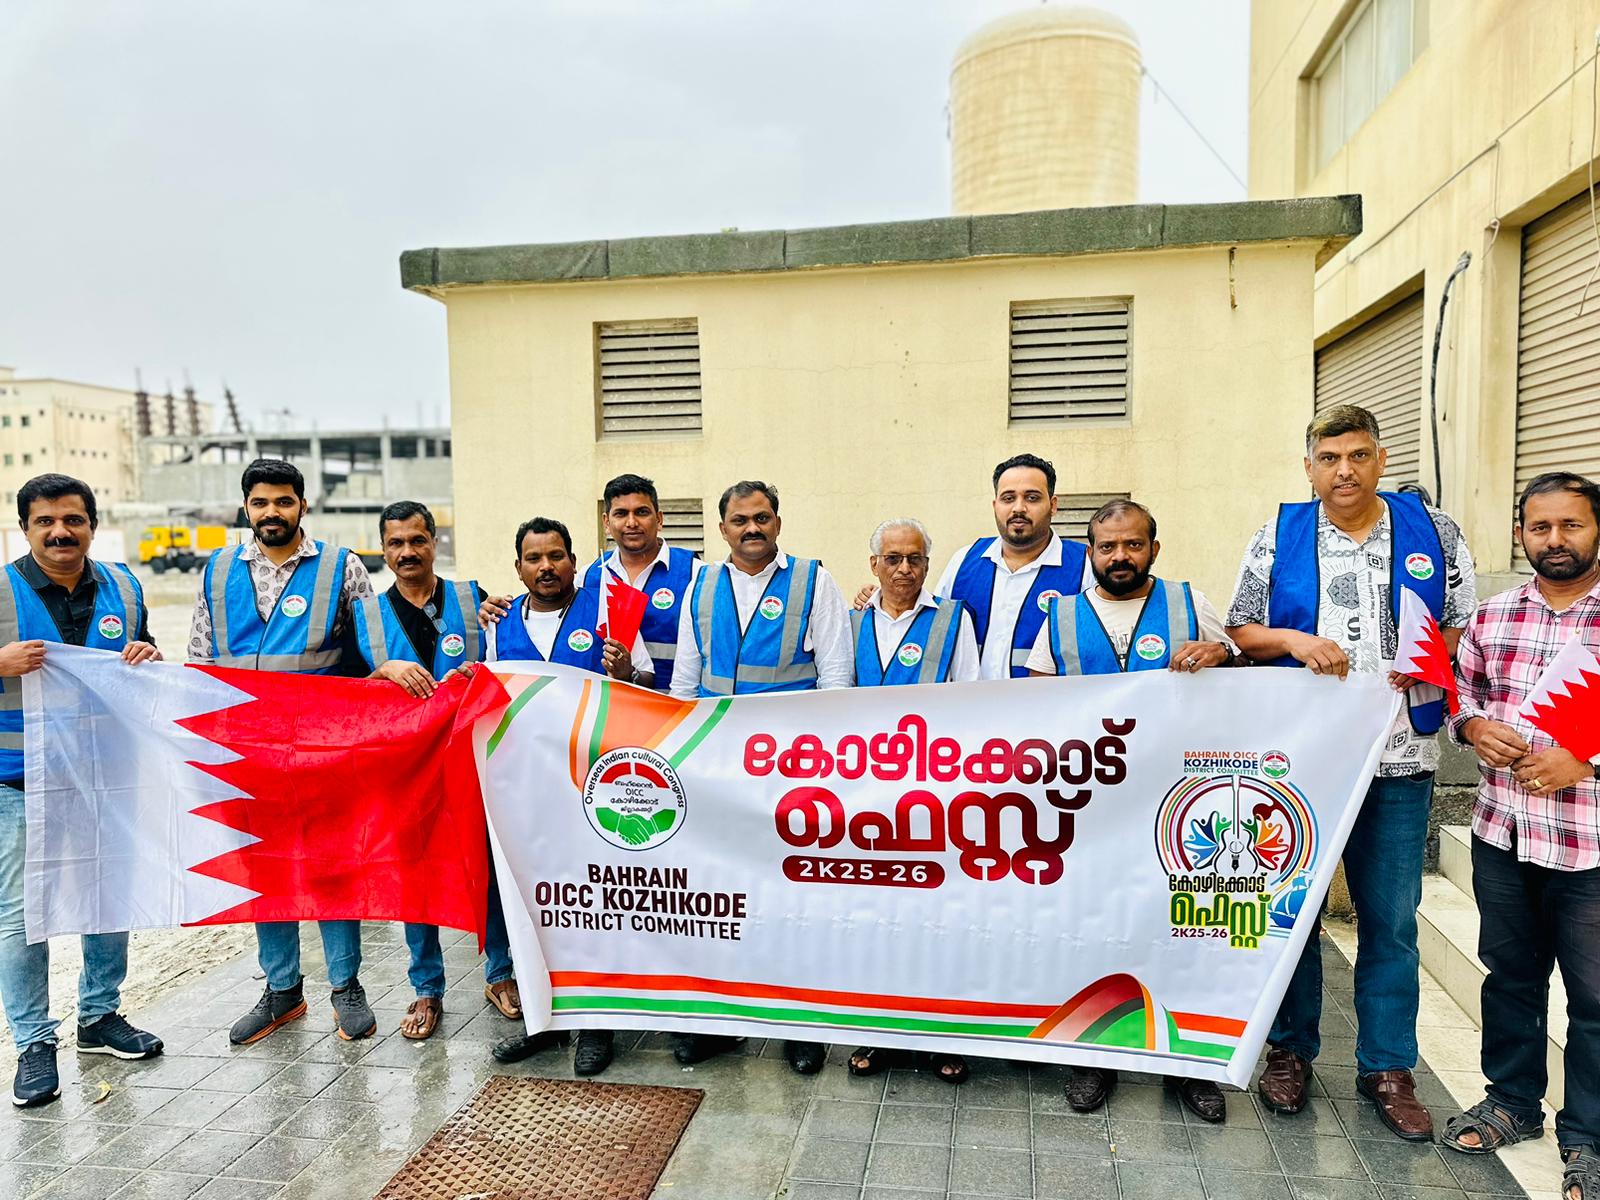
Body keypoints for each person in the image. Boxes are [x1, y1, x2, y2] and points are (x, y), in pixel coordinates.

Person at [1225, 405, 1477, 1141]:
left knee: (1391, 920)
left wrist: (1429, 654)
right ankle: (1289, 1052)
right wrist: (1295, 639)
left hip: (1400, 756)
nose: (1345, 471)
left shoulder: (1434, 530)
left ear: (1380, 458)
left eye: (1358, 455)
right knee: (1293, 913)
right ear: (1309, 467)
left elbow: (1464, 619)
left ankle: (1388, 1068)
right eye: (1329, 458)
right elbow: (1241, 628)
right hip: (1302, 762)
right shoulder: (1279, 534)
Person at [1026, 498, 1235, 1123]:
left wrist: (1220, 655)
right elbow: (1033, 705)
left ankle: (1190, 1064)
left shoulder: (1190, 603)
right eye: (1107, 546)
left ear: (1154, 549)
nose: (1120, 556)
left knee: (1184, 930)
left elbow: (1241, 670)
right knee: (1092, 928)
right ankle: (1093, 1055)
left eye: (1133, 545)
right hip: (1090, 809)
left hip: (1179, 807)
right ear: (1090, 553)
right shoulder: (1060, 616)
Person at [1441, 471, 1600, 1200]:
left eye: (1571, 525)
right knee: (1510, 979)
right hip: (1504, 834)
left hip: (1589, 843)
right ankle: (1511, 1103)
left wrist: (1587, 759)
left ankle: (1588, 1138)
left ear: (1596, 529)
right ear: (1520, 535)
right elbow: (1460, 696)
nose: (1555, 540)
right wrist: (1474, 727)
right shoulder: (1494, 615)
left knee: (1594, 1000)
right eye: (1541, 528)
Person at [190, 459, 378, 1046]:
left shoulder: (343, 567)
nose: (272, 512)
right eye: (261, 502)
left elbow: (374, 648)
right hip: (247, 753)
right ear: (246, 507)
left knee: (330, 867)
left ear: (302, 505)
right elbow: (201, 659)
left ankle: (346, 986)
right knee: (264, 869)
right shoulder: (217, 570)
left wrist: (396, 672)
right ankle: (282, 990)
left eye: (284, 501)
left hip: (322, 748)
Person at [672, 480, 853, 1075]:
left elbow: (835, 676)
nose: (752, 528)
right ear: (722, 527)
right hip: (719, 771)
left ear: (778, 521)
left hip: (790, 770)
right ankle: (720, 1022)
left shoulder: (813, 581)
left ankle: (799, 1025)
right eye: (740, 520)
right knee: (719, 900)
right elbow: (685, 679)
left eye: (763, 518)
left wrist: (827, 763)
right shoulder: (700, 585)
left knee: (791, 898)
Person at [0, 475, 164, 1107]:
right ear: (25, 529)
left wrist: (147, 655)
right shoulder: (1, 590)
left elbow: (143, 660)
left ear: (92, 524)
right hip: (18, 779)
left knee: (105, 896)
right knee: (22, 914)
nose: (60, 532)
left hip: (103, 772)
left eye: (72, 519)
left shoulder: (124, 586)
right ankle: (33, 1042)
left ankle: (98, 1016)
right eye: (45, 521)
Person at [347, 500, 520, 1042]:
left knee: (483, 865)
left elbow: (508, 663)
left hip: (469, 762)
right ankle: (426, 987)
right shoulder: (365, 615)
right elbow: (345, 696)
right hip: (401, 770)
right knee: (414, 875)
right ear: (383, 550)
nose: (407, 552)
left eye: (417, 540)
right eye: (395, 543)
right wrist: (382, 671)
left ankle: (500, 973)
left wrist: (481, 672)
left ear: (434, 542)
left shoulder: (474, 600)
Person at [486, 516, 653, 1076]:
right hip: (526, 791)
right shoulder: (499, 623)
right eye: (534, 558)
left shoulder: (606, 610)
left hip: (593, 786)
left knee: (591, 904)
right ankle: (543, 1019)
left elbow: (645, 686)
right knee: (534, 904)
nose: (546, 567)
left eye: (556, 556)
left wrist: (626, 670)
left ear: (574, 563)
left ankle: (596, 1024)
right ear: (518, 568)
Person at [845, 517, 979, 1085]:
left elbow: (972, 703)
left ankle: (943, 1035)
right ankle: (877, 1033)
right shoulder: (849, 621)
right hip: (862, 800)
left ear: (928, 564)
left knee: (938, 918)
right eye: (893, 558)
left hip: (933, 795)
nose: (904, 569)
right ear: (873, 564)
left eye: (915, 559)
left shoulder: (953, 620)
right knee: (874, 920)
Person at [934, 453, 1089, 680]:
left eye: (1032, 498)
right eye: (1008, 498)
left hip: (1047, 702)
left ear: (1053, 505)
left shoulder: (1084, 565)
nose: (1019, 508)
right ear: (995, 505)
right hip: (969, 702)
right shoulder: (963, 561)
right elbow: (933, 635)